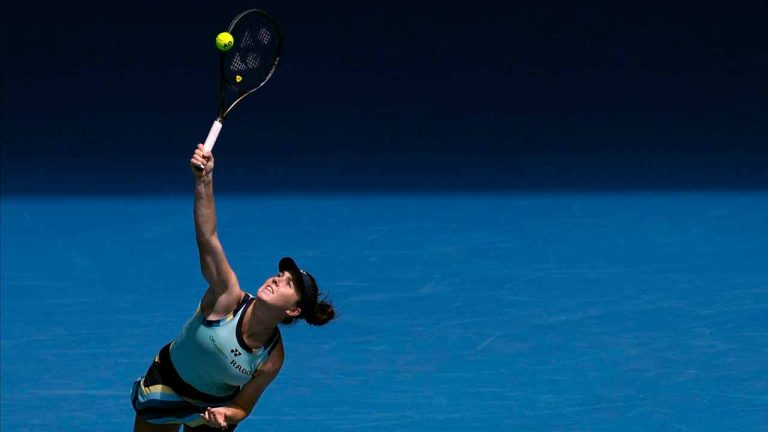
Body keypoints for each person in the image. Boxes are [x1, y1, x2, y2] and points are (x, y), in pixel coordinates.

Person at [131, 144, 336, 431]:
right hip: (167, 386)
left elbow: (244, 405)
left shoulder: (272, 357)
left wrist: (227, 414)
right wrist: (204, 180)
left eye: (288, 284)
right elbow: (208, 238)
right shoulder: (227, 296)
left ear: (293, 310)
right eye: (279, 275)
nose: (276, 279)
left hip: (211, 409)